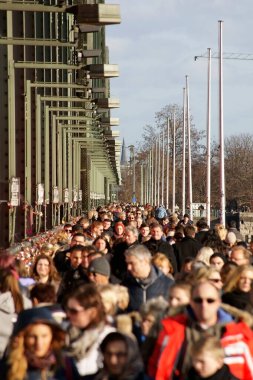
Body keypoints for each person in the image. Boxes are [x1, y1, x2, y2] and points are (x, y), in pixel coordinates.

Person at [148, 281, 253, 380]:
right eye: (198, 300)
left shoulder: (239, 333)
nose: (204, 305)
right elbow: (151, 365)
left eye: (210, 300)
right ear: (191, 302)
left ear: (218, 302)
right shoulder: (169, 329)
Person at [0, 307, 77, 379]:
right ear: (22, 339)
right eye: (32, 337)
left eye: (44, 336)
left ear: (53, 336)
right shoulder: (7, 368)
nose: (39, 343)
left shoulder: (66, 364)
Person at [65, 283, 115, 378]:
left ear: (92, 312)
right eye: (67, 310)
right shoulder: (66, 332)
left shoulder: (107, 336)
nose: (68, 315)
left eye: (74, 311)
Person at [122, 244, 174, 311]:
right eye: (127, 263)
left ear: (145, 262)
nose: (128, 267)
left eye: (132, 263)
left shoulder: (168, 284)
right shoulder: (125, 285)